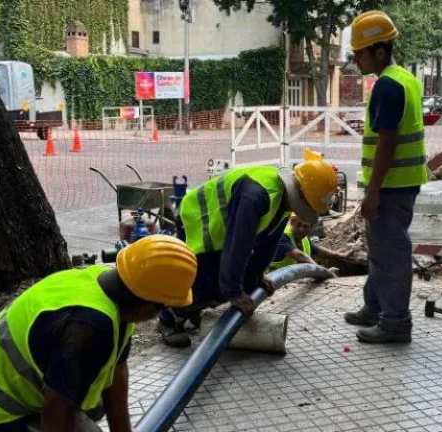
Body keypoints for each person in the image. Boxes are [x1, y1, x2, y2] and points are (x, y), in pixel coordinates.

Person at [0, 235, 198, 432]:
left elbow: (117, 372)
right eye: (162, 307)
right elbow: (56, 413)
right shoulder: (90, 327)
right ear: (146, 305)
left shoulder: (115, 288)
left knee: (91, 402)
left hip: (5, 385)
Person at [157, 161, 338, 347]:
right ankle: (169, 318)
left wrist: (257, 275)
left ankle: (193, 311)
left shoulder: (284, 199)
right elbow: (238, 243)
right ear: (300, 195)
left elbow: (270, 240)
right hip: (198, 221)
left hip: (222, 230)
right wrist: (234, 292)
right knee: (207, 281)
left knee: (246, 281)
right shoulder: (256, 195)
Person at [342, 11, 427, 344]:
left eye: (359, 53)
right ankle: (374, 307)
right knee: (380, 249)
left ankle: (395, 322)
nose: (355, 60)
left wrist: (373, 192)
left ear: (379, 51)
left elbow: (387, 143)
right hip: (401, 183)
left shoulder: (388, 86)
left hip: (390, 186)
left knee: (391, 253)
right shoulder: (405, 78)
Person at [267, 213, 354, 272]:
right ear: (292, 222)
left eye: (306, 226)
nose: (301, 229)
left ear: (310, 228)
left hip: (290, 283)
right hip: (273, 283)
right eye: (298, 225)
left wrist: (340, 255)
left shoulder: (304, 239)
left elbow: (319, 251)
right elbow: (300, 256)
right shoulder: (283, 236)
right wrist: (324, 272)